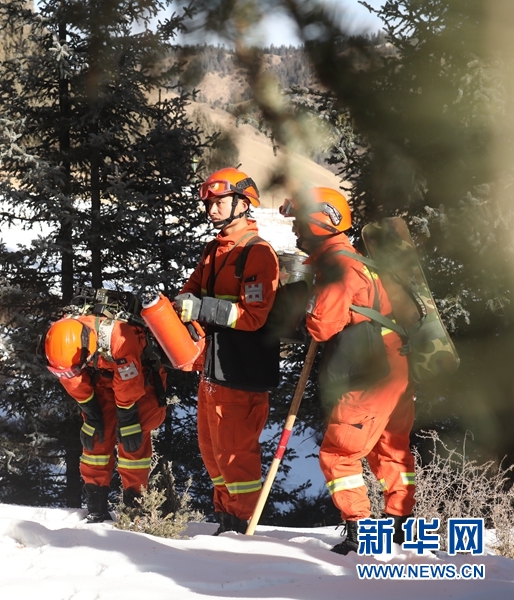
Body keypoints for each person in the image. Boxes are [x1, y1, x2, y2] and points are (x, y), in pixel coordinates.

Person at [281, 187, 415, 555]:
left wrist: (304, 304)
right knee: (391, 451)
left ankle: (359, 535)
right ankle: (399, 527)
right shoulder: (355, 259)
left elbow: (321, 326)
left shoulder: (338, 267)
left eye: (299, 223)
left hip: (368, 376)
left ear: (319, 223)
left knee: (339, 454)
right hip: (395, 371)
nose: (295, 231)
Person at [174, 167, 281, 535]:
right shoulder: (214, 250)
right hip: (215, 368)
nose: (212, 209)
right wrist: (183, 301)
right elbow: (189, 290)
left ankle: (240, 525)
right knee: (212, 450)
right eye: (209, 203)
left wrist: (201, 308)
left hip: (242, 370)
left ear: (242, 203)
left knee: (236, 454)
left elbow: (252, 316)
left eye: (219, 202)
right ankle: (225, 518)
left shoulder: (258, 253)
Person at [44, 315, 167, 523]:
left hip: (140, 381)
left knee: (134, 438)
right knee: (95, 440)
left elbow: (129, 384)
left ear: (88, 347)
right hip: (102, 380)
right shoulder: (62, 342)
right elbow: (71, 377)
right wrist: (90, 412)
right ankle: (96, 505)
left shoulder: (120, 338)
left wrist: (127, 418)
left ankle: (135, 506)